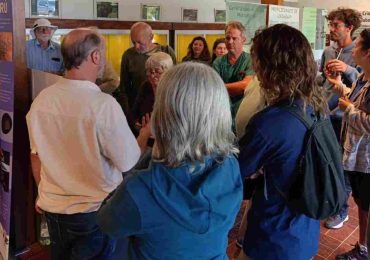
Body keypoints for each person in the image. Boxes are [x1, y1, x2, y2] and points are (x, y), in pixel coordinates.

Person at [26, 28, 151, 260]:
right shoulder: (103, 105)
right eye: (102, 54)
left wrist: (44, 192)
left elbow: (36, 155)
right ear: (95, 57)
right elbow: (128, 161)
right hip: (95, 213)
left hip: (53, 211)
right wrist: (144, 134)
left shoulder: (42, 100)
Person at [97, 62, 243, 260]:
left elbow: (106, 222)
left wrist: (151, 154)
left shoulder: (140, 188)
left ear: (164, 114)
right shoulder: (230, 166)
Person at [237, 24, 327, 260]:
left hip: (273, 238)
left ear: (270, 66)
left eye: (256, 60)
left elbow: (236, 171)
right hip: (305, 232)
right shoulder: (316, 106)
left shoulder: (269, 122)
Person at [324, 28, 370, 260]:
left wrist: (348, 110)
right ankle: (363, 247)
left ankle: (365, 251)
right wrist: (338, 85)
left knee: (367, 205)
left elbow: (361, 115)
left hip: (368, 160)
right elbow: (353, 98)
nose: (355, 48)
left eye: (359, 44)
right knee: (362, 204)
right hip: (358, 155)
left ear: (368, 52)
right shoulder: (364, 78)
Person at [319, 7, 362, 230]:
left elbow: (364, 81)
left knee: (342, 167)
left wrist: (347, 69)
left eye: (336, 25)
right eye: (330, 25)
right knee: (327, 163)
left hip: (344, 118)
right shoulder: (328, 51)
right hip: (324, 114)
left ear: (349, 27)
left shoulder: (359, 51)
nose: (332, 29)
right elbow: (321, 81)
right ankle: (329, 201)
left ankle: (341, 211)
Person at [117, 22, 176, 110]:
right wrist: (129, 115)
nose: (136, 46)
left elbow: (175, 81)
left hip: (164, 105)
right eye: (134, 42)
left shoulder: (167, 51)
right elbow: (124, 89)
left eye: (140, 42)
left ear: (151, 37)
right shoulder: (128, 55)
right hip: (138, 107)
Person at [212, 21, 254, 127]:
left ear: (243, 40)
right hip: (221, 114)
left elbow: (245, 86)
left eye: (234, 38)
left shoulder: (250, 60)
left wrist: (220, 87)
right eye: (227, 38)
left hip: (244, 114)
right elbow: (213, 89)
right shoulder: (218, 62)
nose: (230, 42)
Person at [131, 52, 173, 134]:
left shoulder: (173, 90)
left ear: (168, 72)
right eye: (150, 71)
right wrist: (136, 124)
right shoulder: (146, 86)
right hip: (145, 136)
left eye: (157, 72)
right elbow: (134, 113)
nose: (152, 76)